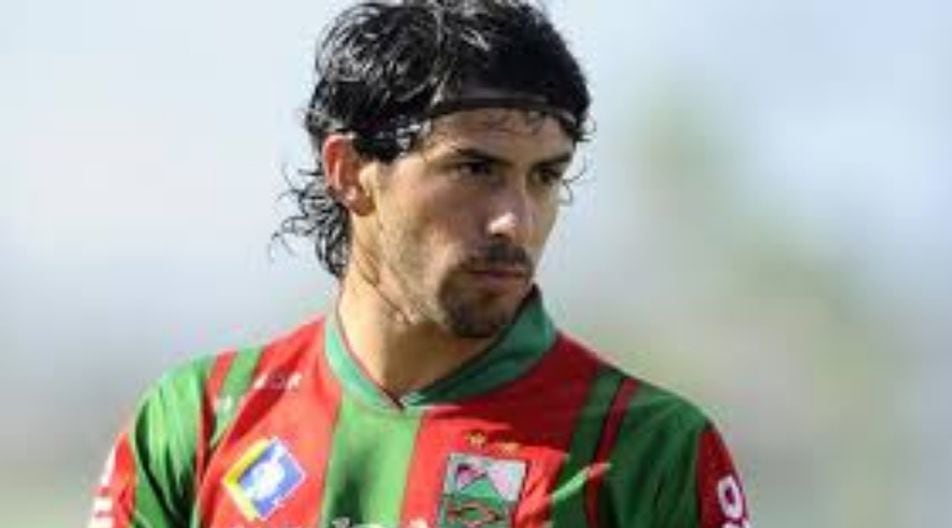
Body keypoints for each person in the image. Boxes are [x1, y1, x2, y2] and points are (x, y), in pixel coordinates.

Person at [88, 1, 751, 527]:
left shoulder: (650, 450)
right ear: (350, 171)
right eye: (475, 168)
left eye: (544, 177)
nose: (515, 220)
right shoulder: (200, 420)